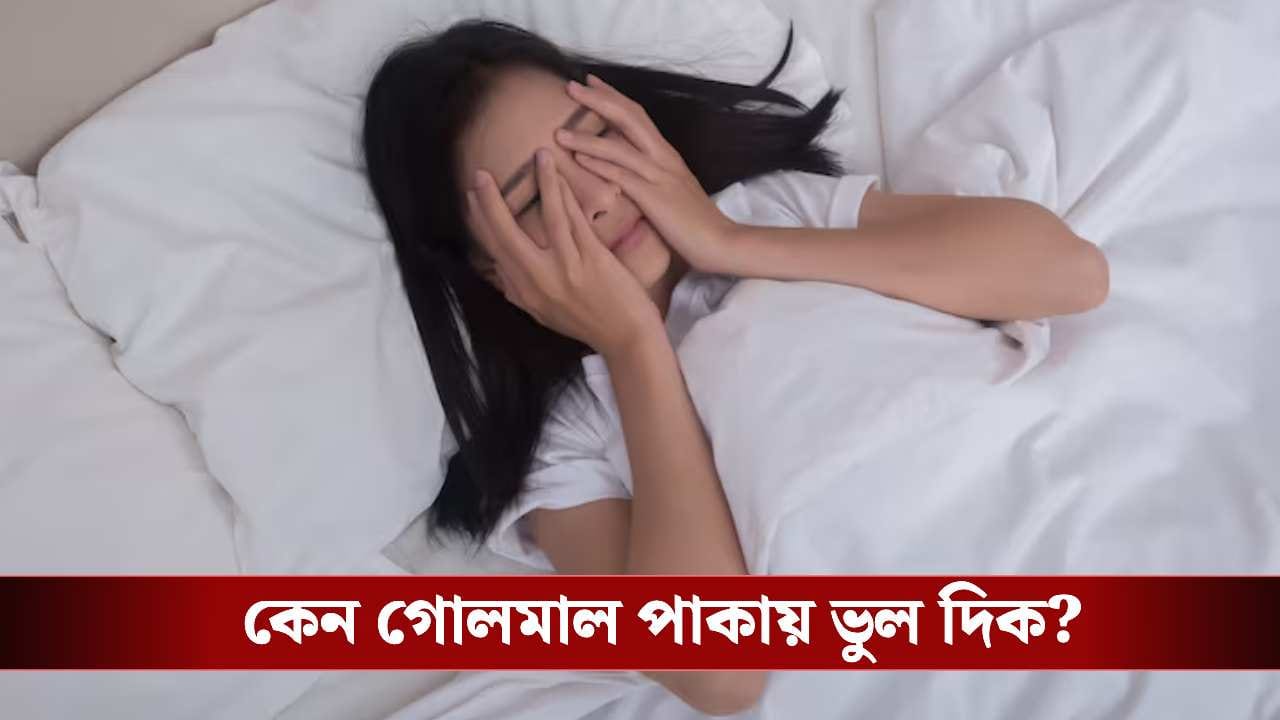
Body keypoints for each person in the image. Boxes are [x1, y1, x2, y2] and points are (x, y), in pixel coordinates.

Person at [361, 19, 1108, 715]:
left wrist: (730, 243)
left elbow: (1070, 275)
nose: (596, 196)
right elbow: (717, 671)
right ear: (495, 271)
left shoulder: (771, 211)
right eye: (534, 200)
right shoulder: (564, 438)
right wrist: (634, 346)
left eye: (596, 141)